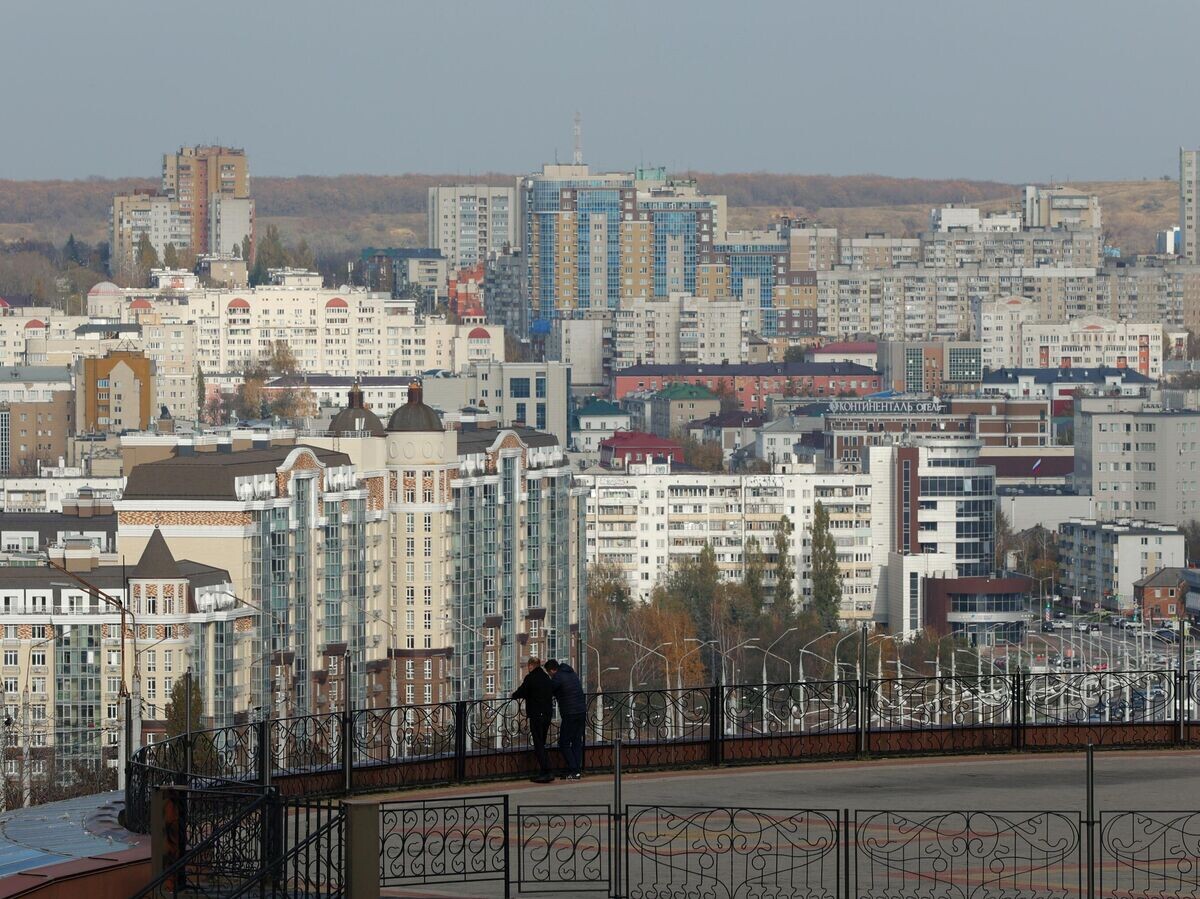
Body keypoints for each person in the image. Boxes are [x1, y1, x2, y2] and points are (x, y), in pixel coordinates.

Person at [511, 656, 555, 783]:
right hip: (547, 714)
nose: (528, 668)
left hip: (536, 715)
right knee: (542, 741)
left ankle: (546, 771)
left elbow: (522, 691)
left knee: (538, 743)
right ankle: (545, 770)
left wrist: (513, 696)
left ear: (531, 666)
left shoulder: (531, 678)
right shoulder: (546, 678)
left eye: (528, 666)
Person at [544, 658, 585, 780]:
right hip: (581, 711)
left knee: (564, 742)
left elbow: (548, 690)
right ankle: (577, 770)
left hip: (570, 713)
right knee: (577, 741)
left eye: (549, 673)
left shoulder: (557, 677)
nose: (549, 676)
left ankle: (573, 769)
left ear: (552, 670)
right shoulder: (571, 673)